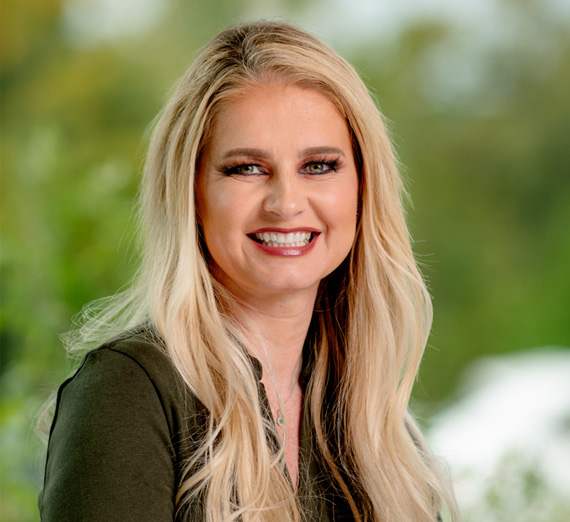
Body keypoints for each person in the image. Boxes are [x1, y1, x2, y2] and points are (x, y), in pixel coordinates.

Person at [39, 20, 458, 522]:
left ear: (363, 189)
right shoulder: (130, 393)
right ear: (191, 193)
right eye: (246, 168)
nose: (286, 203)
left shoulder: (383, 436)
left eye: (319, 165)